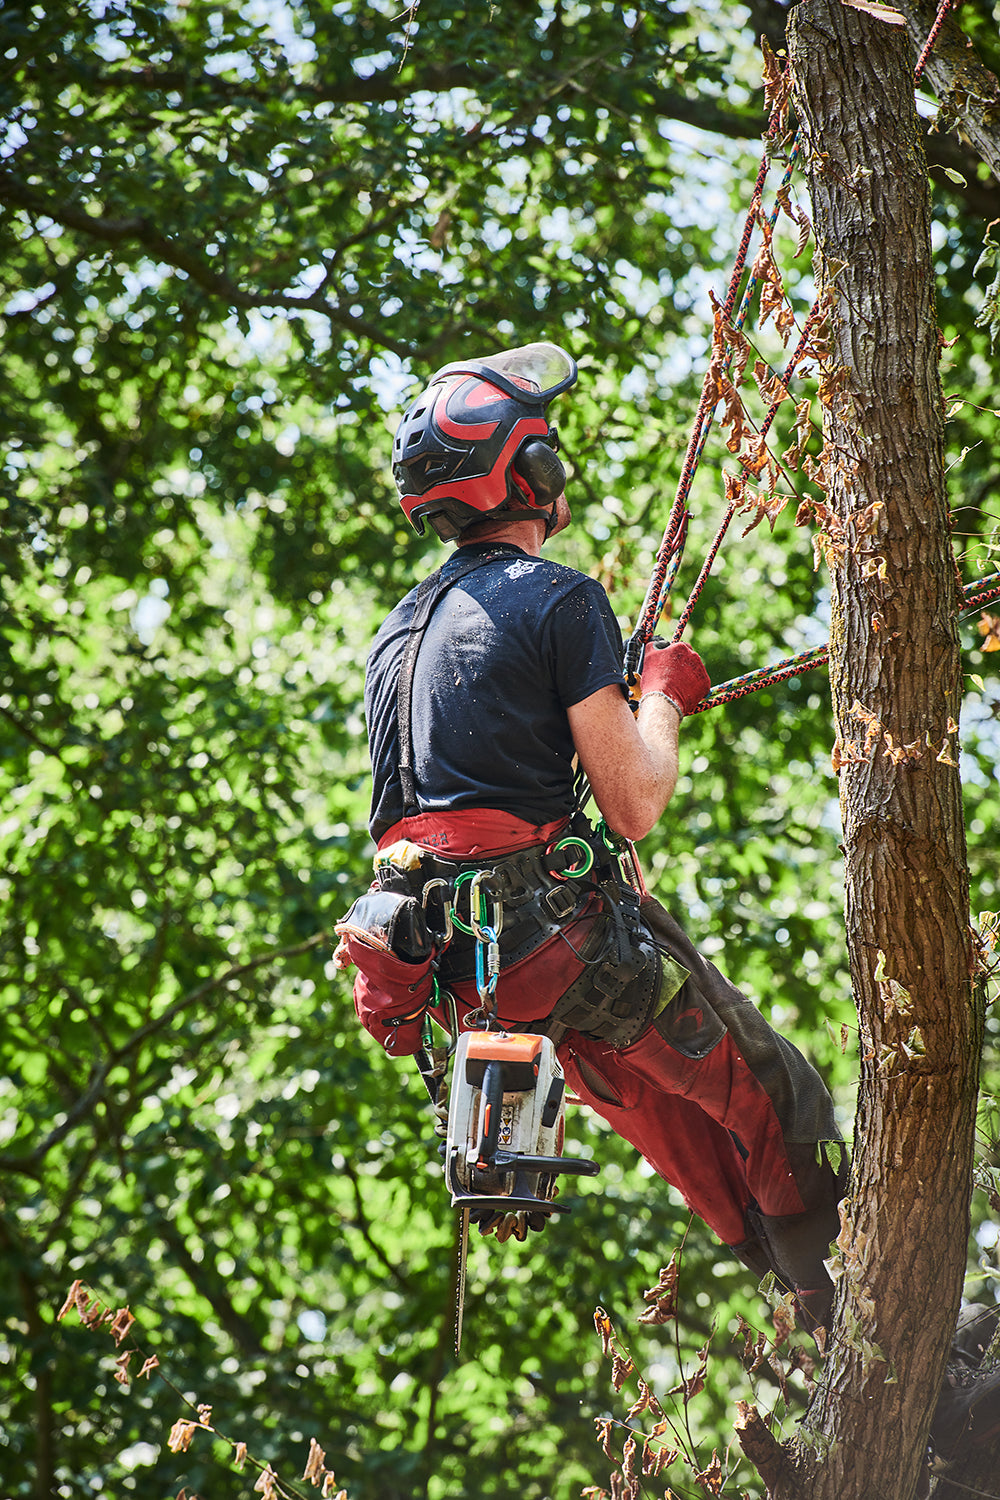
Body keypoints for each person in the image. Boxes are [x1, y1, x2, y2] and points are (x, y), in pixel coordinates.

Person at [335, 342, 1000, 1461]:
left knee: (708, 1144)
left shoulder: (396, 635)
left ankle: (909, 1391)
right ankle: (919, 1371)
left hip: (480, 988)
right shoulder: (556, 600)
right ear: (530, 470)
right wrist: (661, 692)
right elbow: (634, 799)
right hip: (565, 948)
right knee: (779, 1106)